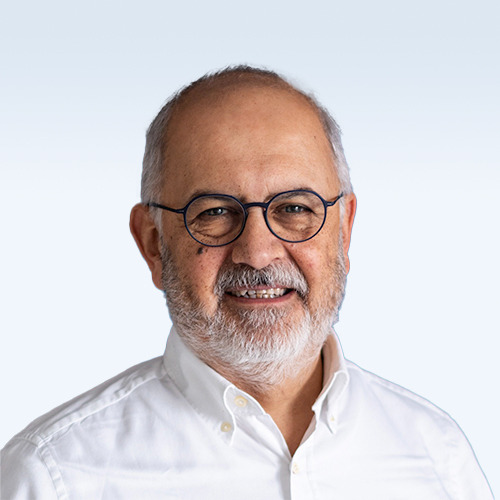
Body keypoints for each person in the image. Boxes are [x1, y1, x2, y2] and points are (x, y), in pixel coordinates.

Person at [1, 66, 493, 499]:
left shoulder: (439, 458)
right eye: (214, 213)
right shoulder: (53, 477)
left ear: (344, 231)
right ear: (153, 243)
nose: (258, 252)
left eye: (295, 208)